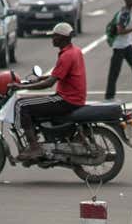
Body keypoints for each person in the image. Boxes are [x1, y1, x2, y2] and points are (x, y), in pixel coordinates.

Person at [12, 22, 86, 159]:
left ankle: (34, 148)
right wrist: (38, 79)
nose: (52, 39)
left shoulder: (66, 56)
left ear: (62, 38)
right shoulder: (74, 51)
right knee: (33, 105)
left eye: (54, 36)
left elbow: (50, 83)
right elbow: (58, 75)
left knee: (22, 105)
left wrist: (22, 87)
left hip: (67, 100)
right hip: (75, 98)